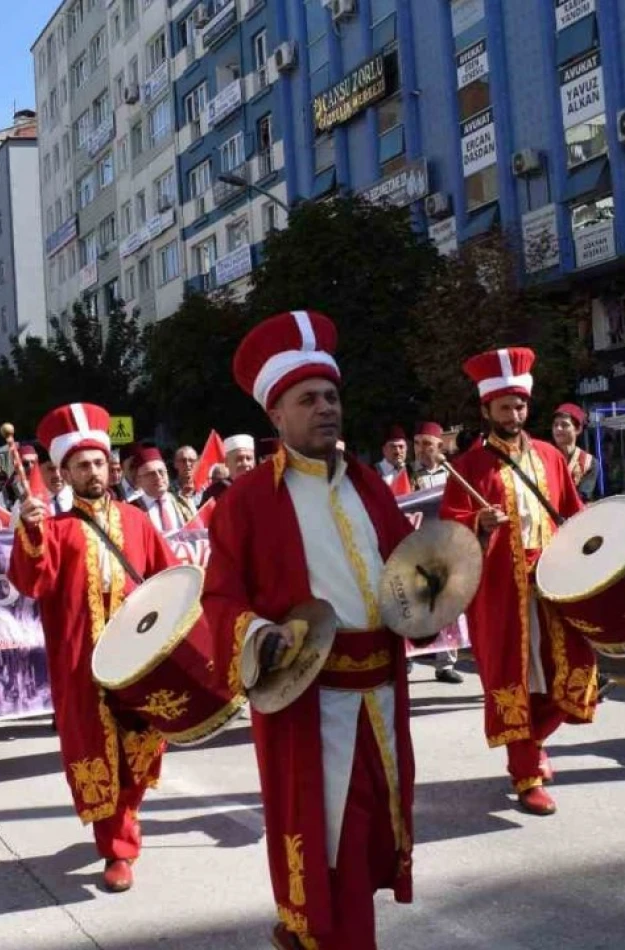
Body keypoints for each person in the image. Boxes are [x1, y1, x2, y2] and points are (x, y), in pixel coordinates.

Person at [205, 310, 424, 950]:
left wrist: (448, 570)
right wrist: (254, 635)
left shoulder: (368, 484)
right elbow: (220, 595)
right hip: (309, 696)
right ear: (276, 416)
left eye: (331, 396)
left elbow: (409, 565)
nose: (325, 408)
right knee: (328, 834)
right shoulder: (245, 501)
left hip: (381, 690)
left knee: (372, 829)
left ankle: (320, 933)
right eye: (308, 399)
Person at [9, 402, 177, 894]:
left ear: (111, 465)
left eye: (99, 462)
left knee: (142, 750)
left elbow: (168, 579)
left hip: (140, 661)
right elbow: (30, 582)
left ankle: (126, 819)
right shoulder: (55, 530)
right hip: (84, 665)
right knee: (101, 756)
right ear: (64, 473)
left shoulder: (138, 521)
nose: (92, 471)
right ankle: (117, 849)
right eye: (81, 465)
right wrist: (30, 530)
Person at [441, 347, 597, 817]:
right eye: (505, 407)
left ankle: (535, 739)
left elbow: (573, 514)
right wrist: (480, 524)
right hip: (501, 589)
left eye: (521, 406)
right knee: (514, 679)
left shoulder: (550, 456)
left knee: (569, 671)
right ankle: (526, 774)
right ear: (486, 409)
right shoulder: (468, 467)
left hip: (554, 582)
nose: (515, 414)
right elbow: (450, 528)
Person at [131, 447, 194, 532]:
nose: (158, 477)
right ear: (139, 479)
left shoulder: (183, 502)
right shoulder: (133, 510)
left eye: (161, 472)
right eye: (151, 474)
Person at [551, 404, 598, 498]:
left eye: (564, 425)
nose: (558, 429)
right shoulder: (544, 456)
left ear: (578, 429)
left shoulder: (588, 462)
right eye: (555, 425)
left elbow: (583, 496)